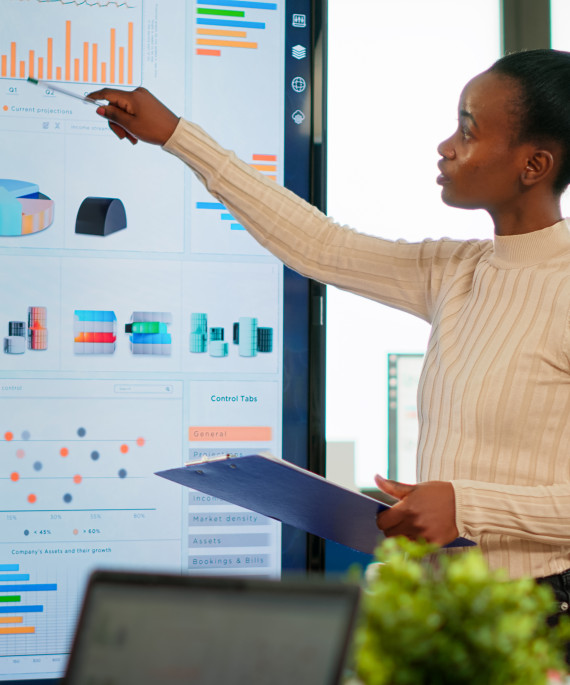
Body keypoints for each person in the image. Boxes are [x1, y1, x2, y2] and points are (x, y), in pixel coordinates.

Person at [88, 49, 570, 597]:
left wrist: (467, 506)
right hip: (451, 608)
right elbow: (320, 245)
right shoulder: (458, 269)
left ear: (534, 166)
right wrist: (176, 135)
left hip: (543, 617)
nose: (446, 146)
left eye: (468, 130)